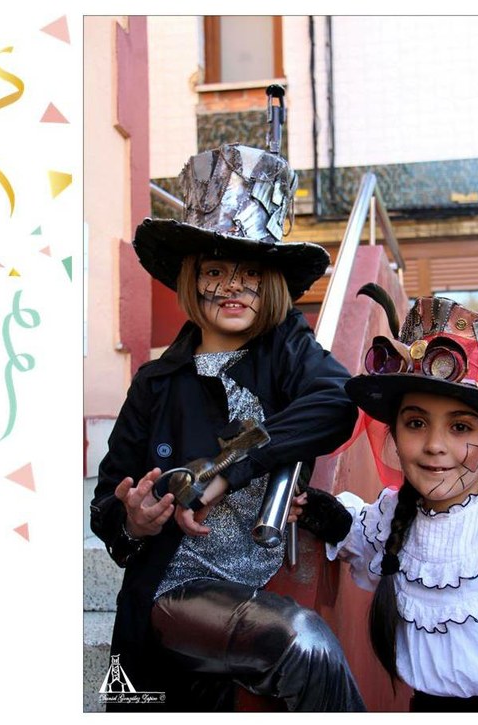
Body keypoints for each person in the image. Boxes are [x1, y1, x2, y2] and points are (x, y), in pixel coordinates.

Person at [90, 143, 364, 712]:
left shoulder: (286, 349)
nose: (232, 287)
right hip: (173, 583)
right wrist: (134, 520)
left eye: (251, 273)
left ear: (272, 283)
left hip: (248, 586)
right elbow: (107, 506)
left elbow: (337, 403)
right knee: (304, 644)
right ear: (193, 280)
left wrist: (230, 472)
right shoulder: (154, 383)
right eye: (216, 271)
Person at [294, 293, 478, 712]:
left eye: (460, 427)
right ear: (393, 433)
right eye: (415, 423)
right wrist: (314, 510)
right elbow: (360, 535)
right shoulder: (390, 519)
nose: (434, 446)